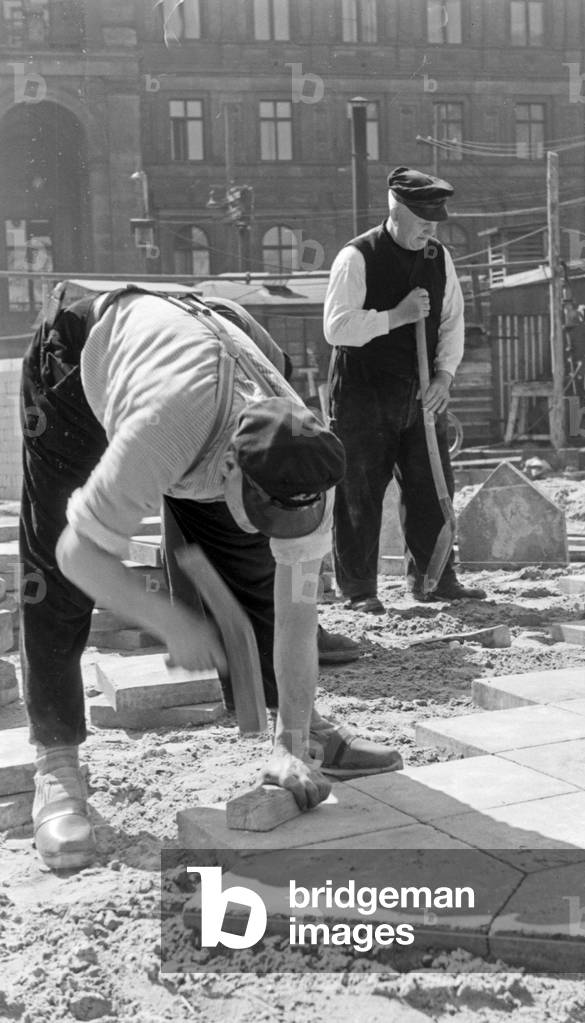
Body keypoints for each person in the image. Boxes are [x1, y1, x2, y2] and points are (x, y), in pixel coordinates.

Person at [20, 285, 402, 871]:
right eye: (265, 509)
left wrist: (290, 743)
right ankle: (58, 765)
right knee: (55, 572)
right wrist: (171, 621)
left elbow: (298, 615)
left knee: (254, 565)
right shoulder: (163, 429)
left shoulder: (302, 455)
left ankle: (302, 733)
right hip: (82, 360)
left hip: (213, 343)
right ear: (228, 466)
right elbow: (78, 552)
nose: (279, 526)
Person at [324, 166, 486, 612]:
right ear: (396, 212)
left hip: (421, 394)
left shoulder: (439, 258)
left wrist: (445, 376)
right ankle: (359, 591)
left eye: (436, 221)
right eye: (423, 221)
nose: (431, 230)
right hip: (362, 395)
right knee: (360, 494)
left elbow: (452, 320)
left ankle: (435, 578)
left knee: (432, 488)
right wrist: (396, 315)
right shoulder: (356, 257)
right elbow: (336, 328)